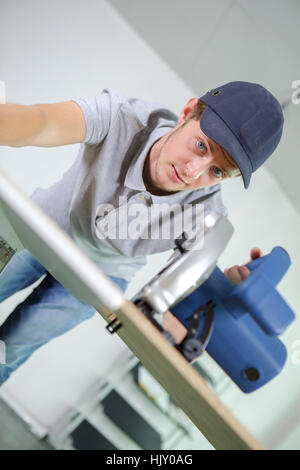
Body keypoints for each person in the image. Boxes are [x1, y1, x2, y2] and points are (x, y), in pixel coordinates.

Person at [0, 81, 284, 383]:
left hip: (101, 277)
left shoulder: (207, 214)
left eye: (216, 171)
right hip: (46, 224)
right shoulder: (122, 117)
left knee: (12, 346)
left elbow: (181, 297)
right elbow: (42, 123)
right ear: (188, 113)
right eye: (202, 145)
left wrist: (223, 300)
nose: (193, 171)